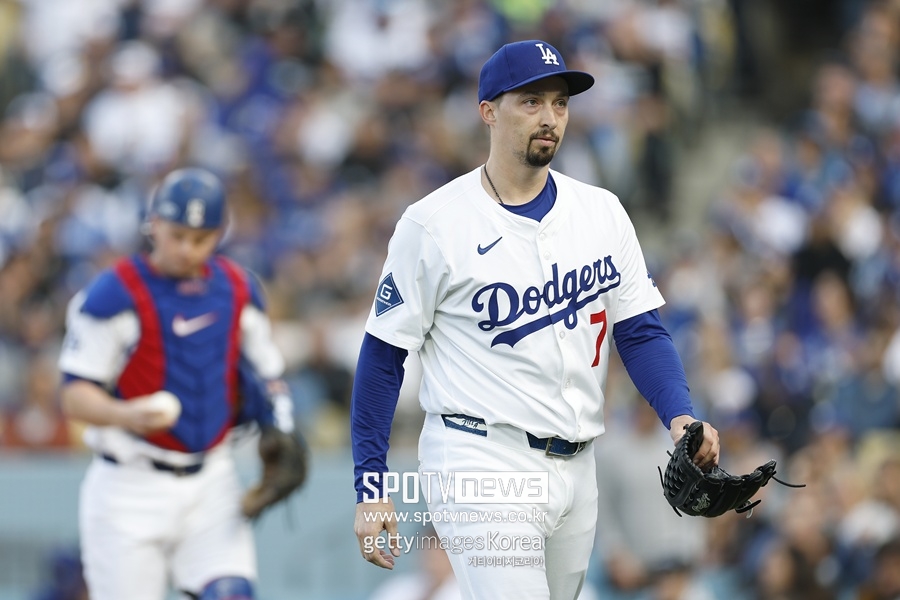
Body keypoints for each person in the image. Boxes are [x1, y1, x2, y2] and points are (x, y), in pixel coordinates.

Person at [350, 39, 721, 600]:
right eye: (531, 101)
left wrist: (680, 416)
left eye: (560, 103)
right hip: (479, 456)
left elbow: (640, 330)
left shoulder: (601, 212)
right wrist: (371, 485)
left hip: (577, 462)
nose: (550, 117)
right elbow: (382, 357)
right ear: (488, 111)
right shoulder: (434, 224)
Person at [58, 167, 294, 600]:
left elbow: (270, 375)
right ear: (154, 225)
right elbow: (75, 395)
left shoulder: (238, 289)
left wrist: (284, 427)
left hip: (212, 480)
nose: (187, 249)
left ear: (219, 233)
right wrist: (124, 414)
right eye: (177, 235)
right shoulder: (114, 294)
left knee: (232, 594)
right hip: (129, 485)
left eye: (200, 238)